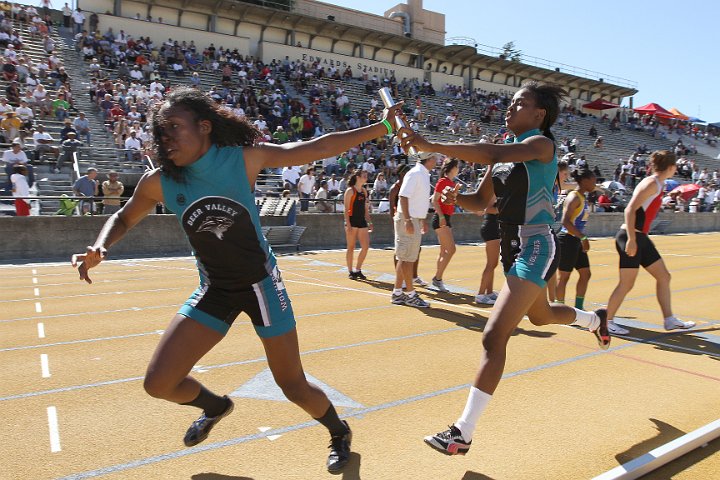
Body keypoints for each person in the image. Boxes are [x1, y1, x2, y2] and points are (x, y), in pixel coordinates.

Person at [70, 87, 403, 473]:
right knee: (159, 383)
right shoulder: (159, 181)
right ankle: (215, 406)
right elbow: (125, 216)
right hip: (214, 290)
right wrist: (100, 246)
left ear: (205, 127)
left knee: (291, 384)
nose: (166, 138)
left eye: (174, 127)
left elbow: (315, 148)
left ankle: (338, 431)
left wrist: (382, 127)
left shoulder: (242, 160)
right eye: (160, 132)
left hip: (261, 286)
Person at [399, 81, 610, 455]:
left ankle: (462, 433)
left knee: (494, 336)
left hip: (537, 244)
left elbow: (488, 150)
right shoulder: (503, 154)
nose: (509, 109)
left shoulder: (541, 144)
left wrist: (431, 144)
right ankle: (594, 320)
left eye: (519, 104)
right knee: (542, 317)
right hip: (512, 246)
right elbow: (482, 201)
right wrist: (454, 197)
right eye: (510, 104)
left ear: (539, 114)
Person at [603, 150, 695, 335]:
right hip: (630, 236)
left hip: (641, 238)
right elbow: (629, 210)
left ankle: (669, 320)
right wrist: (631, 239)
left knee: (664, 276)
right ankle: (605, 321)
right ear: (670, 167)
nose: (676, 169)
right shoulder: (651, 184)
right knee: (626, 284)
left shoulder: (659, 184)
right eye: (675, 166)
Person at [391, 153, 434, 308]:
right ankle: (410, 294)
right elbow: (403, 196)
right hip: (407, 218)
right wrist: (409, 220)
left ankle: (398, 292)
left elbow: (417, 200)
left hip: (412, 218)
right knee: (407, 258)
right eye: (434, 158)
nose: (436, 161)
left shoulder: (422, 174)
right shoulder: (416, 173)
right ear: (428, 159)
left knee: (405, 257)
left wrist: (421, 220)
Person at [555, 168, 596, 310]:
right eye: (593, 181)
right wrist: (583, 237)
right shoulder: (574, 197)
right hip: (567, 239)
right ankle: (559, 308)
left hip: (576, 240)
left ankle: (579, 308)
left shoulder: (583, 197)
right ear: (584, 181)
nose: (595, 184)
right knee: (564, 276)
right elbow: (565, 222)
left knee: (585, 274)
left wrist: (581, 238)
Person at [389, 164, 425, 287]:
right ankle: (401, 278)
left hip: (411, 218)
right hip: (401, 221)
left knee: (416, 249)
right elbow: (391, 209)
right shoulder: (395, 188)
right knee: (400, 252)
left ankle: (414, 276)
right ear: (401, 174)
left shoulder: (410, 185)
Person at [430, 158, 459, 292]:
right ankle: (437, 278)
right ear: (452, 168)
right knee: (451, 249)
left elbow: (451, 202)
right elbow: (434, 201)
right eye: (457, 167)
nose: (458, 169)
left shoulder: (451, 183)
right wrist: (441, 217)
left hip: (446, 218)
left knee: (443, 251)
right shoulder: (443, 182)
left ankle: (437, 279)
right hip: (441, 218)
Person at [343, 170, 371, 279]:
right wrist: (348, 224)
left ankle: (358, 269)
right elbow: (346, 210)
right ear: (358, 177)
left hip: (361, 221)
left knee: (365, 247)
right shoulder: (350, 191)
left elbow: (366, 209)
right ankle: (351, 271)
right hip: (352, 221)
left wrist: (369, 221)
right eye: (364, 176)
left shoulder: (364, 191)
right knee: (351, 247)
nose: (366, 178)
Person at [475, 197, 501, 305]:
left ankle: (489, 292)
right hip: (491, 228)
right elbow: (488, 209)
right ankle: (480, 294)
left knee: (493, 263)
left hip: (494, 228)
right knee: (491, 264)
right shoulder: (492, 191)